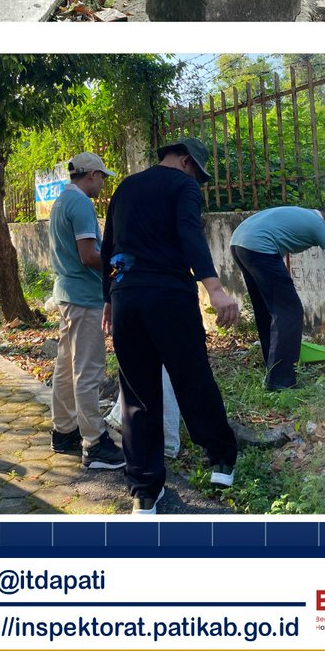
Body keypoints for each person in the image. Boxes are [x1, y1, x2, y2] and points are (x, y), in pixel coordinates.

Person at [101, 138, 240, 515]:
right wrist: (214, 287)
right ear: (184, 161)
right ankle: (222, 460)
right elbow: (189, 233)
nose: (197, 178)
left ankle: (145, 492)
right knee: (192, 376)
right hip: (168, 297)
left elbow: (108, 245)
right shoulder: (183, 185)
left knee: (136, 394)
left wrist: (109, 299)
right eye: (196, 170)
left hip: (127, 296)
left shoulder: (126, 187)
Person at [230, 205, 325, 391]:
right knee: (290, 311)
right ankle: (281, 381)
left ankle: (273, 371)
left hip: (239, 243)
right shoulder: (321, 226)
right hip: (260, 247)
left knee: (267, 309)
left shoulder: (302, 215)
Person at [48, 152, 125, 470]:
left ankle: (64, 431)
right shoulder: (80, 203)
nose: (103, 183)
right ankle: (94, 444)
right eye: (102, 177)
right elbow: (88, 255)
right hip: (84, 298)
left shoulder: (62, 201)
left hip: (67, 295)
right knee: (88, 370)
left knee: (66, 367)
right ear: (91, 174)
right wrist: (118, 270)